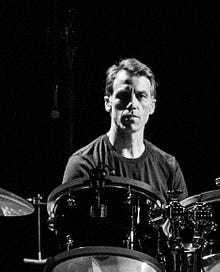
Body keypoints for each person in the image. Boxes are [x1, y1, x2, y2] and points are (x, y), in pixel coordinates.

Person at [60, 56, 187, 197]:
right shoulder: (83, 164)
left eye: (141, 96)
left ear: (152, 106)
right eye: (123, 95)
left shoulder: (168, 167)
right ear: (108, 103)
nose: (132, 104)